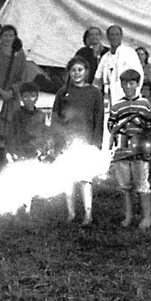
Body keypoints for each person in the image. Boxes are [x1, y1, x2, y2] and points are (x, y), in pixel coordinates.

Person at [52, 56, 103, 224]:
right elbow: (56, 117)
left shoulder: (94, 92)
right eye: (73, 70)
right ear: (69, 72)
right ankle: (71, 212)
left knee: (85, 178)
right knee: (68, 178)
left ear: (86, 72)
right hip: (67, 141)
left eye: (80, 70)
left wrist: (96, 143)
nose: (76, 73)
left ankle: (88, 213)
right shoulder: (62, 92)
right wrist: (57, 140)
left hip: (86, 141)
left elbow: (99, 118)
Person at [108, 69, 151, 229]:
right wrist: (120, 129)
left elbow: (150, 125)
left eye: (132, 83)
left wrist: (141, 125)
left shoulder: (145, 104)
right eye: (125, 83)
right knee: (124, 185)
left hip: (140, 151)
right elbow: (110, 125)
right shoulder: (117, 106)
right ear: (121, 85)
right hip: (122, 150)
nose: (128, 87)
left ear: (137, 84)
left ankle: (146, 217)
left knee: (142, 183)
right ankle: (128, 216)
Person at [94, 25, 144, 149]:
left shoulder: (129, 53)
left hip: (128, 98)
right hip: (110, 100)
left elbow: (139, 75)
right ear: (108, 37)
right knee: (112, 130)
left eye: (117, 34)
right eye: (112, 35)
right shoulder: (105, 57)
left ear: (121, 36)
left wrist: (133, 96)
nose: (114, 37)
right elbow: (97, 79)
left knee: (130, 129)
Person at [0, 24, 30, 153]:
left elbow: (23, 77)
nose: (8, 38)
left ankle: (8, 157)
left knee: (11, 130)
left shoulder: (20, 56)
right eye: (5, 35)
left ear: (15, 37)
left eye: (11, 35)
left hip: (12, 99)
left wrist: (11, 91)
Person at [6, 81, 50, 161]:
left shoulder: (41, 115)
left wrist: (43, 149)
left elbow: (44, 134)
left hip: (37, 151)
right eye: (25, 97)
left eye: (33, 96)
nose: (29, 100)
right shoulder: (17, 114)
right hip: (22, 151)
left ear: (37, 97)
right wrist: (13, 152)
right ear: (21, 98)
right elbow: (12, 134)